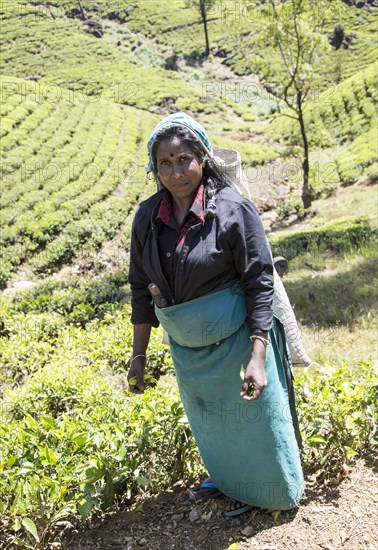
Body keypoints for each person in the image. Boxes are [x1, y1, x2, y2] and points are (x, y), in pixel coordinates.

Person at [127, 112, 304, 516]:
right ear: (154, 167)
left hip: (239, 342)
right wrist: (139, 356)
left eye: (184, 159)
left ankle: (274, 493)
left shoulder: (233, 211)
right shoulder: (147, 219)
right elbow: (141, 289)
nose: (176, 171)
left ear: (203, 158)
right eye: (165, 162)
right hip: (188, 349)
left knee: (256, 422)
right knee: (212, 423)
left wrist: (257, 358)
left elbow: (259, 283)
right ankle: (229, 482)